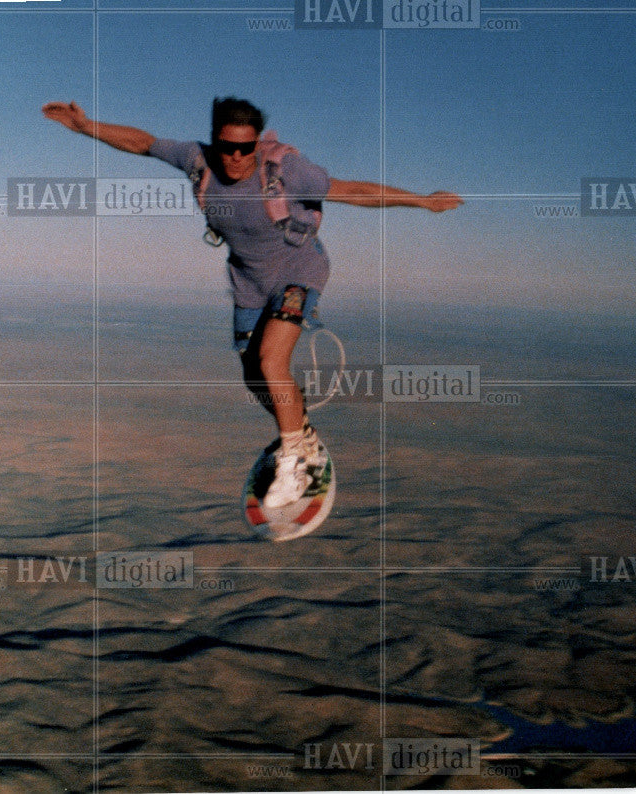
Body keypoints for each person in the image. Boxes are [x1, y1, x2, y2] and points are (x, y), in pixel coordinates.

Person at [42, 97, 462, 508]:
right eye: (228, 147)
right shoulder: (197, 160)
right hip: (249, 283)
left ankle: (297, 459)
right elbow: (143, 143)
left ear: (258, 142)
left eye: (247, 147)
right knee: (253, 376)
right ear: (215, 142)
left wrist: (423, 201)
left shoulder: (287, 172)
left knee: (271, 361)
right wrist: (86, 126)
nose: (237, 157)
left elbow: (353, 191)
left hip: (299, 272)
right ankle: (302, 431)